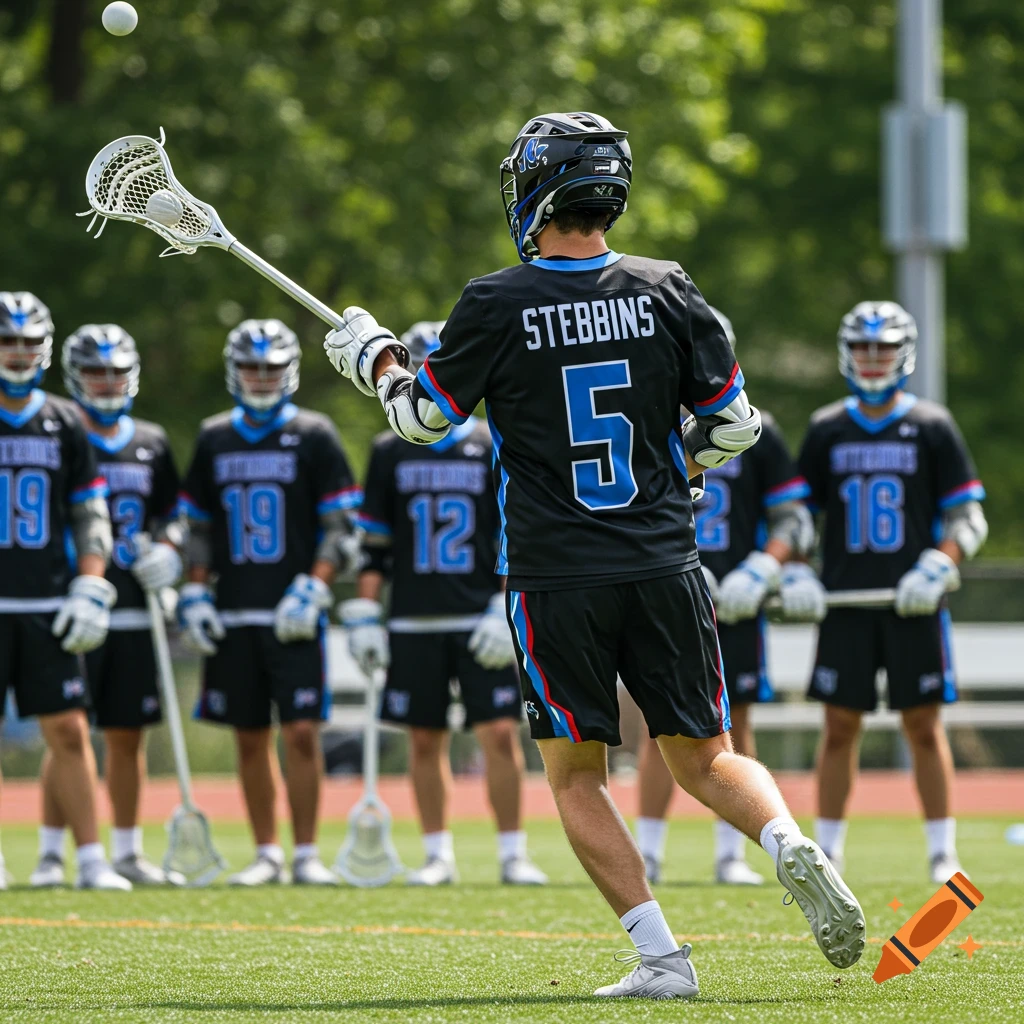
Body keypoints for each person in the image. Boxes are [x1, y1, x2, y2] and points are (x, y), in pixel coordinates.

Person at [323, 112, 865, 998]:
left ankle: (664, 959)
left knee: (578, 776)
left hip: (555, 575)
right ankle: (786, 840)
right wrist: (680, 467)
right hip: (665, 561)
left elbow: (422, 419)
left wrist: (376, 361)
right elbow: (735, 426)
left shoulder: (496, 300)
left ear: (539, 191)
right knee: (707, 757)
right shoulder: (666, 286)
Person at [340, 321, 547, 887]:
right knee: (424, 736)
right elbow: (375, 543)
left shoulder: (490, 442)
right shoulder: (389, 449)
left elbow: (516, 533)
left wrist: (503, 608)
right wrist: (365, 613)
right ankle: (437, 854)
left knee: (500, 733)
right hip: (413, 617)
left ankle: (513, 852)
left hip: (480, 615)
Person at [788, 301, 987, 884]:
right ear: (846, 354)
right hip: (845, 603)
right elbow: (796, 516)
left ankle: (942, 852)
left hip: (913, 603)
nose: (873, 359)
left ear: (904, 354)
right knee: (838, 727)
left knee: (923, 726)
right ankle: (829, 850)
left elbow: (967, 516)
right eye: (863, 349)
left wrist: (940, 563)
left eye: (883, 349)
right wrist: (796, 570)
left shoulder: (932, 425)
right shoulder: (827, 427)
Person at [633, 307, 822, 886]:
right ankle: (649, 851)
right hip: (667, 588)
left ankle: (731, 853)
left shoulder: (756, 427)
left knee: (735, 721)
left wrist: (764, 568)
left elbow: (792, 518)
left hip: (736, 600)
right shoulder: (643, 418)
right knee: (658, 724)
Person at [178, 318, 361, 886]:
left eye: (271, 367)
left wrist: (315, 585)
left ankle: (305, 853)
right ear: (235, 372)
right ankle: (266, 853)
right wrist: (194, 590)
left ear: (290, 371)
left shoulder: (314, 434)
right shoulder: (214, 436)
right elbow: (199, 527)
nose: (261, 377)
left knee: (302, 732)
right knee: (249, 735)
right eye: (252, 368)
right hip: (235, 610)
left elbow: (341, 527)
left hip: (295, 612)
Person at [29, 325, 184, 888]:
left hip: (134, 607)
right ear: (75, 376)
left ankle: (126, 850)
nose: (107, 382)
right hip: (69, 602)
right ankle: (51, 852)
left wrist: (168, 551)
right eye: (95, 372)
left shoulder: (151, 440)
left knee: (126, 733)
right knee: (65, 731)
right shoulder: (62, 431)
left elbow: (172, 516)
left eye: (116, 371)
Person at [0, 292, 127, 890]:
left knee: (71, 730)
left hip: (47, 600)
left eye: (29, 341)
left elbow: (89, 513)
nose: (18, 352)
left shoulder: (65, 420)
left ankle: (93, 859)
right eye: (8, 340)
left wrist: (92, 584)